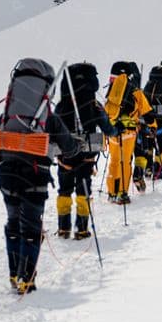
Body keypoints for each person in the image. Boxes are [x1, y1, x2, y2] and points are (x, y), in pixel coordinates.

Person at [0, 58, 82, 295]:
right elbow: (70, 148)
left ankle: (15, 275)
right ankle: (27, 278)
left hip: (7, 175)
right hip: (35, 176)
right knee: (32, 227)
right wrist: (73, 150)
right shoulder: (49, 118)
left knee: (13, 222)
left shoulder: (7, 117)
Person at [53, 62, 110, 241]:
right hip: (87, 156)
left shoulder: (61, 106)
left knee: (64, 190)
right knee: (83, 190)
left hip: (65, 155)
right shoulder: (94, 104)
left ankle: (63, 228)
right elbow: (108, 128)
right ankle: (82, 228)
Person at [102, 62, 150, 204]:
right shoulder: (136, 92)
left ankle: (112, 192)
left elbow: (105, 112)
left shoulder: (111, 91)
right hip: (128, 133)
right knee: (125, 162)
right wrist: (151, 126)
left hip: (113, 133)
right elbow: (148, 113)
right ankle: (122, 193)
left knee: (114, 162)